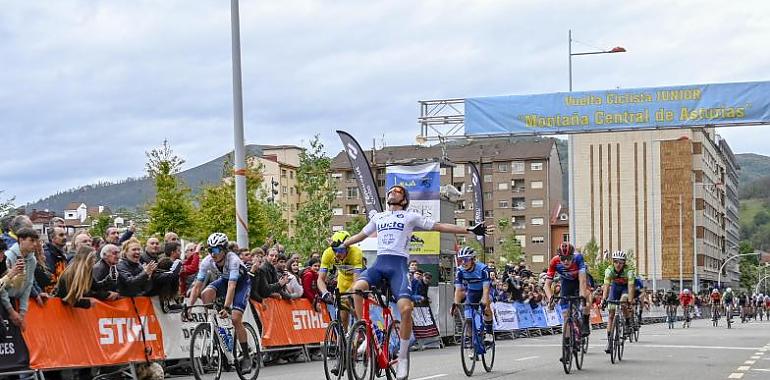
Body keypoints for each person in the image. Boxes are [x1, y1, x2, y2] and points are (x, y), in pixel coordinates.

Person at [340, 184, 493, 380]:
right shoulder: (378, 217)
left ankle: (402, 357)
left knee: (405, 309)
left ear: (404, 200)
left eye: (397, 191)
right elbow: (360, 236)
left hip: (398, 267)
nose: (392, 192)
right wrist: (342, 244)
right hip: (379, 264)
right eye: (391, 191)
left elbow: (439, 226)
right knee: (356, 290)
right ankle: (365, 332)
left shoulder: (410, 216)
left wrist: (469, 230)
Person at [186, 233, 253, 372]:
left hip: (241, 284)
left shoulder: (233, 259)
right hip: (225, 280)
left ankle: (246, 356)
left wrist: (227, 307)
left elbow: (232, 286)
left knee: (235, 319)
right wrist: (189, 307)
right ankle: (214, 325)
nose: (212, 254)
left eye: (216, 250)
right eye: (210, 250)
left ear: (224, 249)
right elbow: (197, 286)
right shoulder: (206, 261)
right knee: (205, 293)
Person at [544, 242, 592, 348]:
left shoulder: (578, 258)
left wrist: (582, 297)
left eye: (569, 258)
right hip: (566, 283)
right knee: (566, 315)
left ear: (573, 256)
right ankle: (566, 345)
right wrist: (550, 299)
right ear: (559, 257)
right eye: (563, 258)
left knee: (586, 301)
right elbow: (546, 285)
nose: (566, 261)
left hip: (579, 280)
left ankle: (585, 321)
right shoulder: (554, 262)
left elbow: (583, 281)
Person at [451, 247, 493, 345]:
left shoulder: (483, 269)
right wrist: (455, 304)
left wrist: (484, 302)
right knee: (468, 318)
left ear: (473, 259)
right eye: (461, 260)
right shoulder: (460, 271)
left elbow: (486, 290)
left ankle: (489, 333)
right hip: (472, 292)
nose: (463, 262)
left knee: (486, 308)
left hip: (484, 291)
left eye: (466, 259)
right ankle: (470, 341)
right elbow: (458, 290)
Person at [0, 227, 40, 331]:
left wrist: (22, 312)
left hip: (15, 301)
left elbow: (28, 285)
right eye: (31, 240)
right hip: (4, 302)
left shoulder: (33, 260)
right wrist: (11, 311)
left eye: (36, 241)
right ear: (21, 240)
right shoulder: (7, 257)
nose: (35, 244)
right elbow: (2, 288)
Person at [601, 250, 635, 354]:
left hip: (625, 288)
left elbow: (630, 287)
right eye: (616, 262)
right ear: (613, 262)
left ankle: (628, 322)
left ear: (624, 263)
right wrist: (604, 299)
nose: (618, 264)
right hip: (615, 288)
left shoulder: (629, 272)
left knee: (623, 301)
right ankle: (609, 342)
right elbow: (606, 286)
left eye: (621, 262)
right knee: (611, 314)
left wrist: (630, 301)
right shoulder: (609, 270)